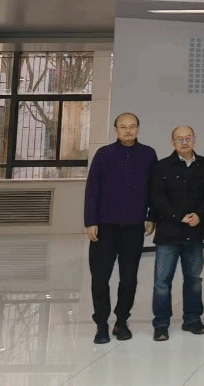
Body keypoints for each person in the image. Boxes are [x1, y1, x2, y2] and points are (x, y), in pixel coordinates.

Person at [84, 113, 157, 344]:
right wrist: (90, 221)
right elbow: (92, 188)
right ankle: (101, 324)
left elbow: (154, 189)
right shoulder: (104, 154)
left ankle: (122, 321)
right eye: (123, 127)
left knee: (128, 279)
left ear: (138, 128)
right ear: (115, 129)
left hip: (133, 228)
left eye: (132, 126)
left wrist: (151, 216)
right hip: (105, 227)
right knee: (100, 278)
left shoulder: (148, 154)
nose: (128, 130)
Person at [149, 126, 204, 342]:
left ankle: (192, 319)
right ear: (172, 142)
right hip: (168, 233)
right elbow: (157, 197)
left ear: (194, 140)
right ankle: (161, 323)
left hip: (194, 232)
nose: (184, 142)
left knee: (193, 279)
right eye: (180, 139)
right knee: (162, 282)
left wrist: (199, 214)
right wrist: (179, 216)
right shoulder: (162, 166)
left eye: (188, 138)